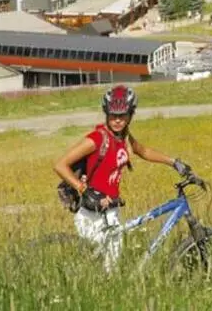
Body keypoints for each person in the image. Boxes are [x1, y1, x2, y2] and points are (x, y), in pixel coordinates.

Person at [53, 85, 192, 272]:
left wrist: (174, 162)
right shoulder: (97, 139)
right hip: (92, 212)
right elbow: (60, 165)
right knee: (94, 269)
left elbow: (142, 151)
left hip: (111, 211)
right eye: (113, 115)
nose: (117, 120)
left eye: (123, 115)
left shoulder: (123, 136)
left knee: (111, 270)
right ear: (106, 113)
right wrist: (83, 189)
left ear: (130, 115)